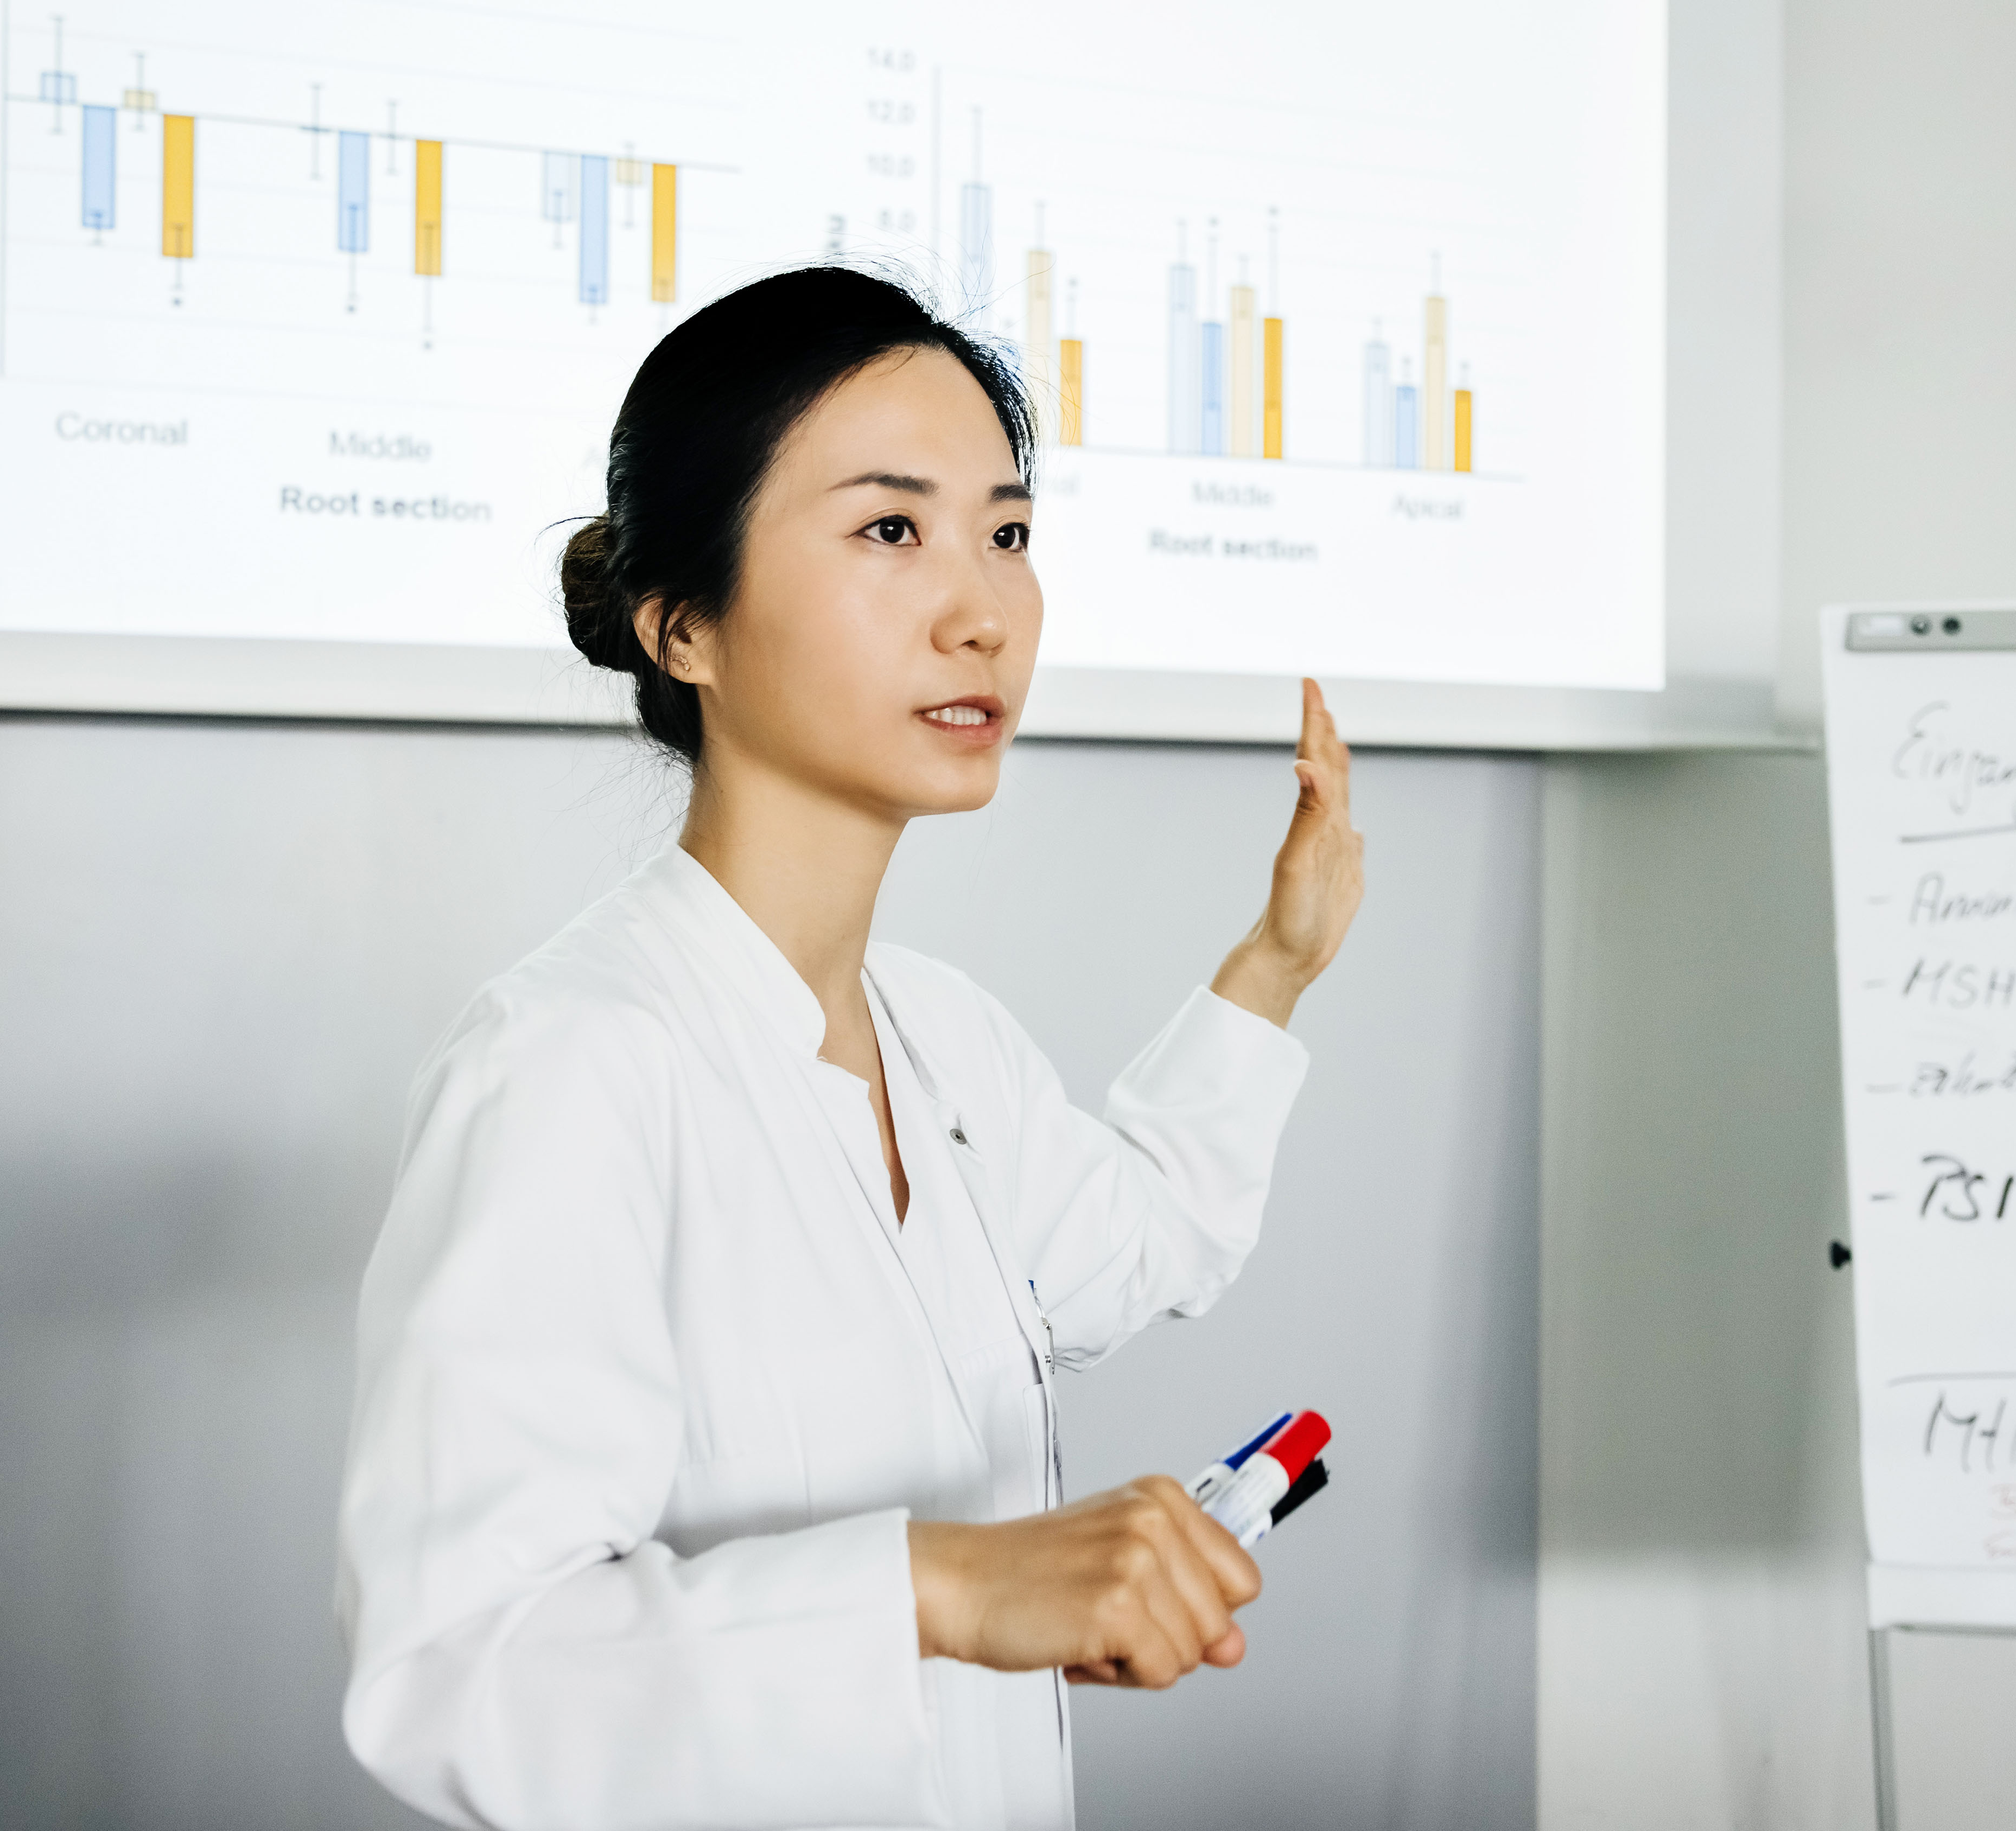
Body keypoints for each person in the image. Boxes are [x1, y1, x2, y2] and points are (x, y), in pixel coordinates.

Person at [334, 265, 1368, 1830]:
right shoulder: (570, 1067)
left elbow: (1139, 1243)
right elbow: (460, 1676)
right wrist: (942, 1587)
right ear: (683, 623)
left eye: (1007, 534)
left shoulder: (941, 1037)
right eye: (892, 530)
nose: (983, 610)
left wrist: (1277, 965)